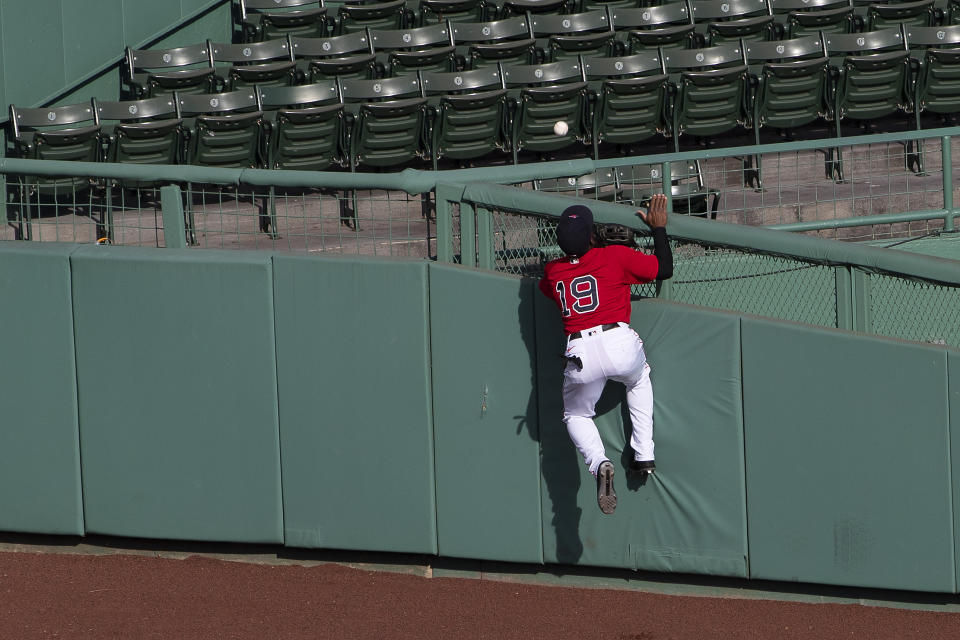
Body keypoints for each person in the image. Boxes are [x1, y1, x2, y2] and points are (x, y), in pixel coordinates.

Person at [538, 194, 672, 515]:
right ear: (591, 236)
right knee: (638, 381)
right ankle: (644, 453)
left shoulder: (553, 272)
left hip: (579, 351)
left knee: (577, 415)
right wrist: (658, 229)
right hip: (618, 341)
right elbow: (663, 268)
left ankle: (600, 463)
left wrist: (589, 248)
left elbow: (560, 277)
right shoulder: (615, 256)